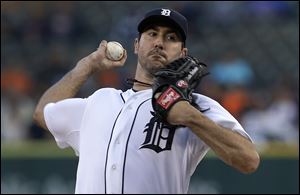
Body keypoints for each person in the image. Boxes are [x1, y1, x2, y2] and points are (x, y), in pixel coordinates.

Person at [33, 8, 260, 194]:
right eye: (152, 34)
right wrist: (87, 65)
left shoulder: (193, 103)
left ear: (183, 53)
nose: (159, 43)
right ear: (136, 45)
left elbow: (248, 159)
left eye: (171, 38)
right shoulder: (100, 100)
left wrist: (191, 117)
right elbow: (43, 113)